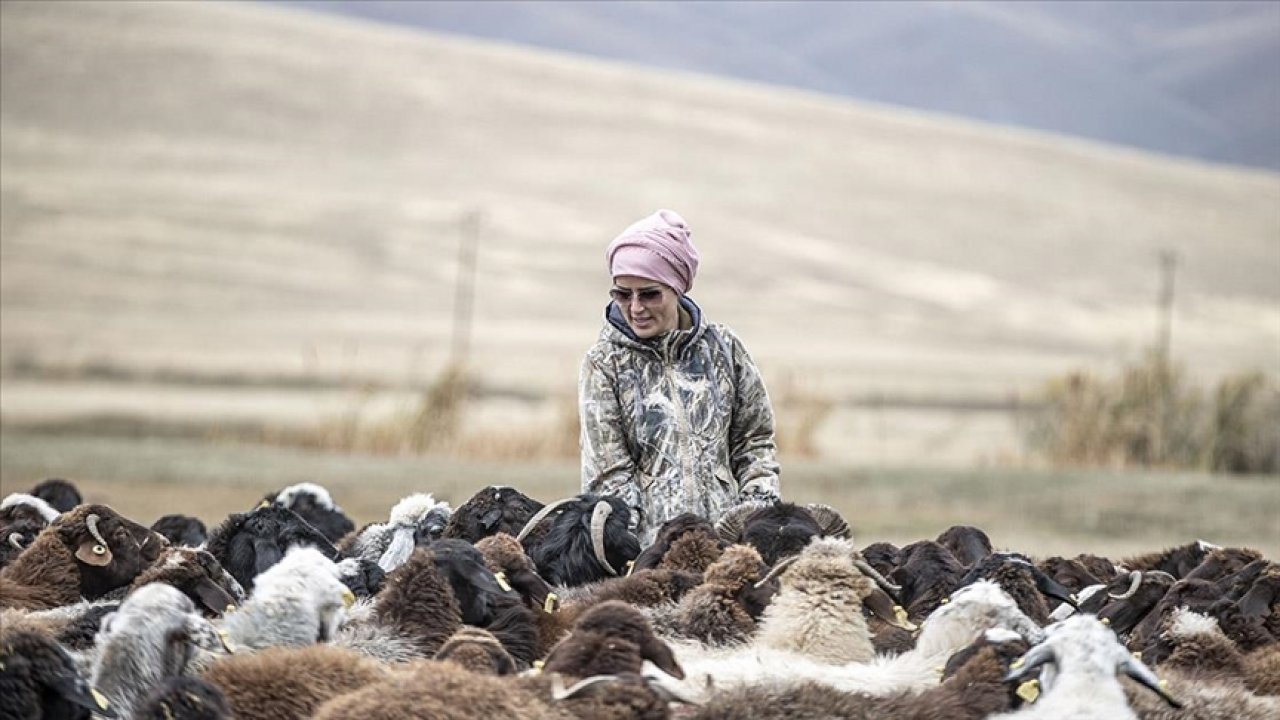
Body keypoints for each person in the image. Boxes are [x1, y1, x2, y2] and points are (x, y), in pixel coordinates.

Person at [578, 209, 781, 544]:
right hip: (646, 556)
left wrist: (754, 521)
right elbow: (608, 476)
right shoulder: (604, 363)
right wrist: (633, 555)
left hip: (726, 548)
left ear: (677, 288)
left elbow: (754, 442)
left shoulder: (725, 350)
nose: (636, 307)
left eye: (649, 293)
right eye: (622, 293)